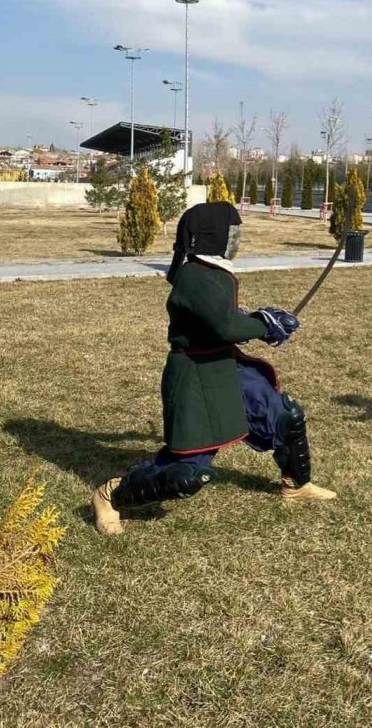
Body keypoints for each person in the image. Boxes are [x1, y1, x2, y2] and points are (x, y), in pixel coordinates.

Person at [92, 201, 335, 536]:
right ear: (212, 235)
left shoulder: (210, 269)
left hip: (226, 364)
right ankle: (109, 496)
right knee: (186, 473)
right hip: (197, 375)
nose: (236, 239)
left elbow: (223, 320)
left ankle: (297, 484)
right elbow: (224, 326)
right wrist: (264, 325)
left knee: (285, 415)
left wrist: (260, 318)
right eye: (232, 233)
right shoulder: (194, 275)